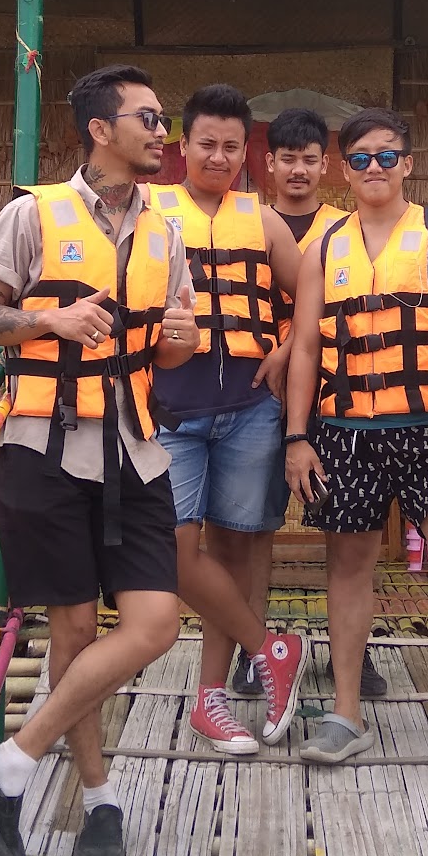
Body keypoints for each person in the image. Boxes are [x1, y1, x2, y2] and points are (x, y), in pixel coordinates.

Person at [0, 64, 198, 856]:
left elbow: (167, 353)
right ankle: (100, 800)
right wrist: (51, 320)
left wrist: (178, 345)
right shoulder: (31, 215)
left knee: (154, 624)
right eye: (149, 117)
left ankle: (13, 758)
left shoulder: (165, 231)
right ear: (101, 131)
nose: (163, 130)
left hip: (133, 446)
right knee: (70, 631)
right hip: (46, 446)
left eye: (163, 117)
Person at [282, 107, 428, 769]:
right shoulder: (323, 248)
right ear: (344, 170)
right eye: (360, 159)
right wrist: (299, 437)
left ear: (408, 164)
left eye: (387, 156)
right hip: (346, 429)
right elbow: (304, 349)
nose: (374, 168)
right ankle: (346, 713)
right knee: (347, 567)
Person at [146, 84, 309, 755]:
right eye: (205, 144)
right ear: (182, 147)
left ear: (249, 153)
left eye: (231, 146)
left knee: (236, 550)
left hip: (248, 409)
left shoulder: (263, 221)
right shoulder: (149, 212)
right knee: (177, 552)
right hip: (171, 411)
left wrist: (286, 345)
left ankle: (210, 700)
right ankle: (271, 648)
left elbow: (314, 300)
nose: (218, 156)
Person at [254, 106, 388, 701]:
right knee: (248, 531)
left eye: (310, 159)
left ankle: (349, 658)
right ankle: (252, 650)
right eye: (288, 159)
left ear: (327, 165)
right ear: (269, 164)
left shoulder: (348, 226)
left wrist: (289, 347)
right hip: (254, 398)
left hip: (339, 396)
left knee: (350, 533)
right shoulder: (246, 226)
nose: (299, 170)